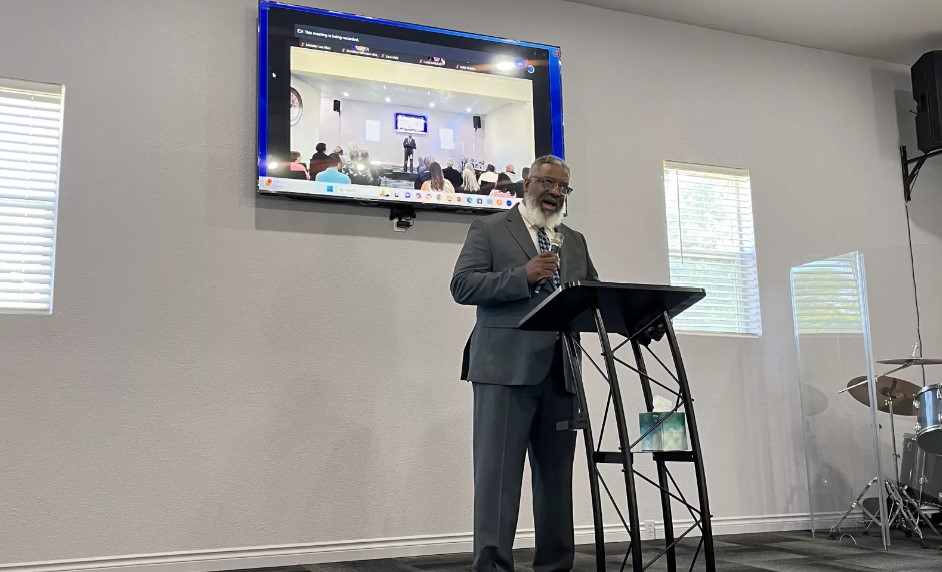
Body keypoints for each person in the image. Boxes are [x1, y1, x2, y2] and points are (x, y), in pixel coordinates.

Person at [451, 155, 597, 572]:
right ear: (525, 184)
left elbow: (593, 295)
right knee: (498, 481)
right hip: (503, 372)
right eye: (546, 183)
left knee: (556, 482)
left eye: (562, 188)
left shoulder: (575, 240)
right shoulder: (491, 229)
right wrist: (524, 275)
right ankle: (494, 567)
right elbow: (462, 285)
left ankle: (555, 565)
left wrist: (637, 317)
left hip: (561, 374)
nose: (553, 193)